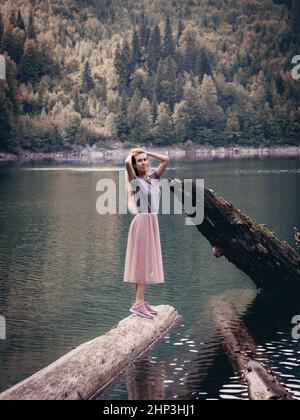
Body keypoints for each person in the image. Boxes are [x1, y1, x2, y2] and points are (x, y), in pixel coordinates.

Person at [123, 148, 169, 319]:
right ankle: (138, 304)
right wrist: (132, 154)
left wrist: (147, 152)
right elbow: (127, 163)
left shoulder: (154, 178)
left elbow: (165, 159)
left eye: (144, 159)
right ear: (135, 164)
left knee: (143, 263)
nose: (143, 162)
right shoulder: (134, 180)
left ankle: (140, 301)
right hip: (143, 222)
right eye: (139, 161)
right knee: (143, 264)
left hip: (151, 222)